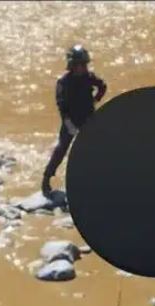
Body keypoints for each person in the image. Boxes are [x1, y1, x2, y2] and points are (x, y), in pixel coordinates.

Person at [41, 44, 107, 197]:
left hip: (89, 118)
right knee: (61, 149)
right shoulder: (63, 82)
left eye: (85, 64)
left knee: (96, 150)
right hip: (71, 121)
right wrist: (68, 123)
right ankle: (46, 179)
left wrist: (95, 99)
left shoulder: (89, 77)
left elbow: (103, 86)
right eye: (80, 65)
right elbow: (61, 105)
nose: (83, 68)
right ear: (72, 65)